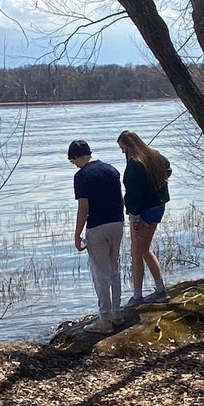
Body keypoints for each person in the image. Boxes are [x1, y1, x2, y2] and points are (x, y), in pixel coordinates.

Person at [68, 139, 125, 334]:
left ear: (76, 157)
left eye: (72, 161)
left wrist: (77, 234)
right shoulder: (111, 169)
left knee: (100, 274)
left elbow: (84, 208)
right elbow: (120, 198)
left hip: (97, 226)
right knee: (114, 270)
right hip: (117, 222)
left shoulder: (82, 176)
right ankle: (117, 313)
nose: (74, 164)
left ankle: (104, 319)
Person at [117, 130, 171, 305]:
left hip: (143, 211)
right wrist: (157, 183)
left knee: (136, 253)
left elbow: (134, 193)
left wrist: (134, 215)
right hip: (158, 206)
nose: (123, 152)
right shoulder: (156, 156)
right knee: (145, 248)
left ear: (129, 145)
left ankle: (138, 295)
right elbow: (168, 169)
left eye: (123, 148)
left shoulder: (135, 164)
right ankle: (160, 288)